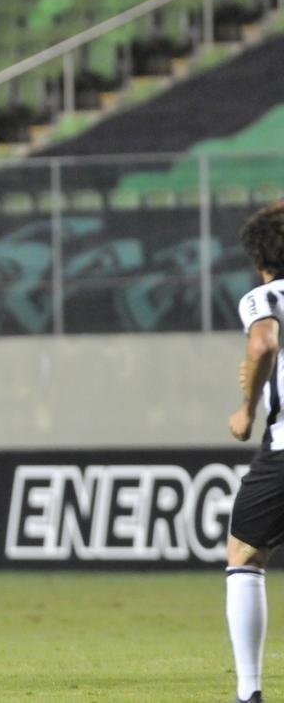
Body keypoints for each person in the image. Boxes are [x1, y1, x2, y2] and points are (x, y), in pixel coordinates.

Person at [226, 200, 284, 703]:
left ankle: (249, 694)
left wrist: (247, 409)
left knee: (245, 555)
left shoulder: (264, 297)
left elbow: (264, 343)